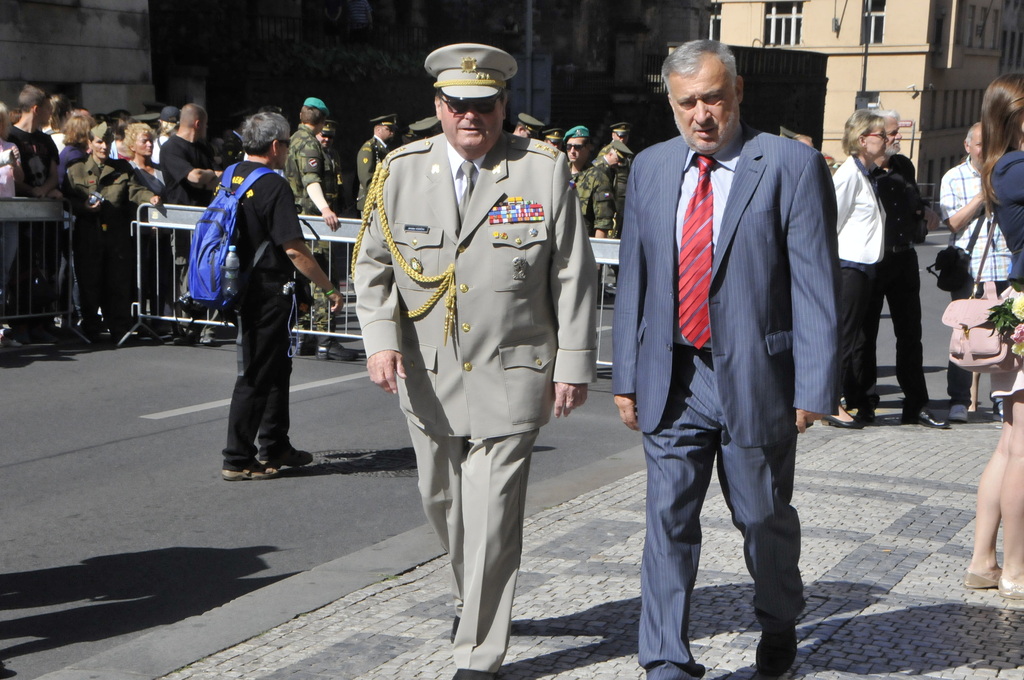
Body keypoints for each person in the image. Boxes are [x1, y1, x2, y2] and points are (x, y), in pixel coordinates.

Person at [354, 42, 597, 679]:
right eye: (458, 105)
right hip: (428, 373)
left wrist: (573, 363)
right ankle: (473, 595)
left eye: (484, 105)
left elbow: (574, 273)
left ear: (504, 105)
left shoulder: (541, 171)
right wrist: (379, 339)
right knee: (442, 501)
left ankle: (479, 651)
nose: (471, 118)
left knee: (491, 516)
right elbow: (373, 266)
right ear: (437, 106)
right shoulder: (401, 170)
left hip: (514, 370)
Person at [611, 40, 840, 679]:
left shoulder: (790, 164)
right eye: (687, 102)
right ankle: (665, 660)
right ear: (671, 103)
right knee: (667, 521)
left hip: (756, 376)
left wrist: (814, 384)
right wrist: (625, 375)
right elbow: (636, 278)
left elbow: (815, 281)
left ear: (737, 92)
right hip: (673, 375)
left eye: (713, 97)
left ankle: (778, 619)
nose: (701, 114)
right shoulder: (652, 167)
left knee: (762, 516)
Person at [220, 111, 343, 481]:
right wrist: (328, 287)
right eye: (287, 143)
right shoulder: (273, 185)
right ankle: (237, 457)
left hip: (241, 284)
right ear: (276, 146)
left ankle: (275, 445)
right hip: (269, 289)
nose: (288, 150)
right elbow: (293, 249)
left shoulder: (231, 175)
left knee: (276, 367)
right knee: (257, 372)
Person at [969, 72, 1024, 600]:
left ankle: (984, 559)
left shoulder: (1004, 167)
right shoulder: (1017, 167)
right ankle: (1016, 571)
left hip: (1020, 306)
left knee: (1011, 444)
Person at [859, 111, 947, 429]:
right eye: (890, 133)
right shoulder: (861, 172)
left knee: (910, 334)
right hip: (872, 261)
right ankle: (864, 404)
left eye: (896, 133)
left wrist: (925, 211)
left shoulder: (903, 166)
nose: (896, 138)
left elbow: (914, 199)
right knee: (865, 335)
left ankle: (915, 405)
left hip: (904, 258)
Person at [940, 122, 1012, 423]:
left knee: (1007, 336)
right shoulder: (953, 178)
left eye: (990, 143)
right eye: (980, 144)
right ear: (967, 146)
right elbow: (953, 222)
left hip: (1005, 266)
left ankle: (1001, 399)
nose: (985, 149)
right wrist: (982, 197)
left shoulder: (1007, 174)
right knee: (965, 334)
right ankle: (959, 399)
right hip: (970, 268)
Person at [821, 109, 888, 429]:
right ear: (863, 140)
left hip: (866, 267)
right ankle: (829, 402)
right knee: (843, 338)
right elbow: (829, 223)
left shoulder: (865, 173)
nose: (887, 140)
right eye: (881, 135)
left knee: (859, 339)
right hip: (850, 266)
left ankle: (853, 398)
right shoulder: (848, 174)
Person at [65, 122, 160, 342]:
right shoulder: (76, 170)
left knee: (117, 282)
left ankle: (119, 328)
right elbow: (67, 199)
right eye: (99, 142)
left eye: (107, 142)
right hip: (88, 235)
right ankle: (90, 328)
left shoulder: (122, 168)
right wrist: (83, 208)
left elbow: (135, 190)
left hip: (116, 235)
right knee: (89, 283)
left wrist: (150, 198)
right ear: (90, 143)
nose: (104, 147)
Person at [160, 103, 220, 344]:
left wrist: (209, 176)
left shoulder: (203, 147)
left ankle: (209, 326)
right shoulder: (171, 148)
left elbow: (208, 178)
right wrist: (212, 175)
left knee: (211, 268)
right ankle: (188, 326)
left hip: (208, 219)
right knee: (186, 271)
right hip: (184, 220)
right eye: (205, 124)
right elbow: (194, 178)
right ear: (198, 124)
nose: (206, 128)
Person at [0, 101, 25, 346]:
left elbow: (19, 179)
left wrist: (14, 163)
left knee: (4, 272)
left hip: (9, 212)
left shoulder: (10, 146)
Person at [564, 125, 615, 238]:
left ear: (588, 147)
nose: (572, 151)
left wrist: (596, 251)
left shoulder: (598, 177)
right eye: (568, 146)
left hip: (583, 243)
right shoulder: (560, 173)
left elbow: (603, 222)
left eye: (577, 147)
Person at [355, 113, 397, 213]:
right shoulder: (369, 148)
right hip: (371, 201)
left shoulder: (384, 148)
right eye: (389, 129)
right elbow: (366, 177)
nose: (392, 132)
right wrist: (378, 195)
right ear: (378, 130)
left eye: (393, 130)